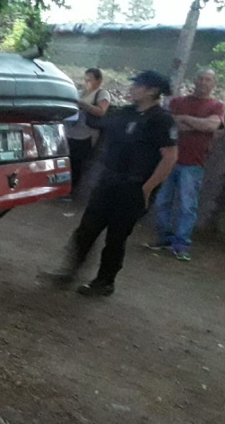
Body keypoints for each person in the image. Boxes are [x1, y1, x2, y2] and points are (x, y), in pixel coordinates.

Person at [46, 71, 178, 297]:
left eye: (138, 85)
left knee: (116, 237)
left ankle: (105, 282)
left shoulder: (162, 120)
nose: (132, 88)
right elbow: (99, 122)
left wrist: (148, 188)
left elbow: (170, 157)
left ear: (152, 91)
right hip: (109, 181)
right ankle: (70, 271)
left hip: (133, 187)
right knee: (87, 229)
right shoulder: (126, 112)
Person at [145, 70, 225, 261]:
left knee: (187, 205)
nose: (203, 82)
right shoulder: (177, 102)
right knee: (163, 200)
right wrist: (197, 125)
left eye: (208, 80)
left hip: (194, 163)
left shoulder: (217, 105)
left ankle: (181, 244)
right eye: (200, 78)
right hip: (169, 160)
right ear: (194, 80)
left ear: (214, 84)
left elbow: (211, 126)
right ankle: (164, 238)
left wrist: (185, 119)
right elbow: (170, 125)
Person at [64, 68, 112, 199]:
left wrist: (82, 104)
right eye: (85, 79)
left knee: (77, 163)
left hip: (86, 134)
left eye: (90, 80)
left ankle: (71, 190)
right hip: (71, 130)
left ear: (98, 81)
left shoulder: (101, 94)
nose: (87, 82)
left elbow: (101, 111)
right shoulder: (80, 92)